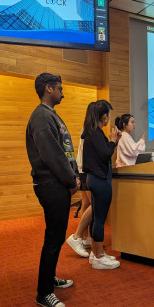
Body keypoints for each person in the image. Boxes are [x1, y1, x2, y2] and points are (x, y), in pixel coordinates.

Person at [26, 72, 80, 307]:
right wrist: (71, 180)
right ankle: (43, 292)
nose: (62, 92)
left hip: (59, 183)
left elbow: (66, 150)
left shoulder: (51, 115)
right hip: (51, 184)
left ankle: (50, 278)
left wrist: (74, 175)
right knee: (53, 238)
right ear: (48, 88)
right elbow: (53, 156)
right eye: (59, 88)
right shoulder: (40, 117)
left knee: (57, 237)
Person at [82, 100, 121, 269]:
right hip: (99, 180)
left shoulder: (93, 132)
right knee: (99, 219)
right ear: (104, 116)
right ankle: (98, 256)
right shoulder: (95, 133)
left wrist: (114, 141)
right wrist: (112, 141)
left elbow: (104, 151)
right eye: (108, 116)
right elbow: (106, 154)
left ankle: (96, 253)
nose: (109, 119)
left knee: (97, 218)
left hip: (96, 179)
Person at [66, 104, 95, 258]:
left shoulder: (87, 129)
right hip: (86, 171)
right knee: (95, 205)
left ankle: (84, 238)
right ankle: (77, 236)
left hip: (82, 170)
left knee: (86, 203)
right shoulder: (90, 131)